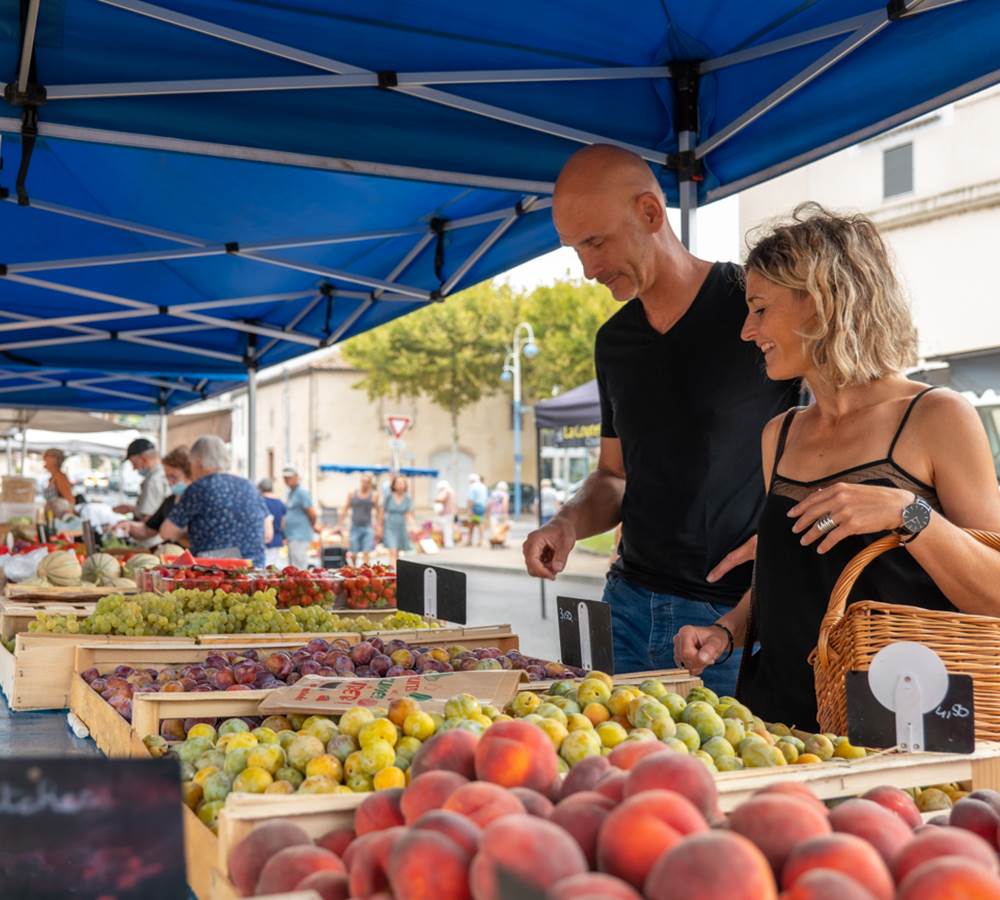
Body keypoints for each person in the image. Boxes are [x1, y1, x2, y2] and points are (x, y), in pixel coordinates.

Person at [673, 204, 1000, 730]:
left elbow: (995, 594)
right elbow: (794, 576)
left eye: (759, 308)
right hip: (777, 726)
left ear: (823, 305)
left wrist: (908, 512)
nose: (746, 331)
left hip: (899, 728)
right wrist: (729, 629)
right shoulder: (779, 434)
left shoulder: (937, 417)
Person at [522, 144, 799, 697]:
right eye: (575, 250)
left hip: (733, 624)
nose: (587, 270)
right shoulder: (615, 342)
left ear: (651, 213)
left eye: (596, 243)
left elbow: (833, 447)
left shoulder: (755, 308)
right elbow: (613, 476)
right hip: (625, 608)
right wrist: (568, 524)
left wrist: (789, 540)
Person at [161, 436, 272, 566]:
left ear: (198, 462)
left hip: (215, 573)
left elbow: (167, 533)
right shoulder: (250, 486)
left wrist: (190, 533)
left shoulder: (198, 488)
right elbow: (268, 533)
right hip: (255, 571)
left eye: (191, 464)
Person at [117, 446, 191, 545]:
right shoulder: (170, 501)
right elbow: (147, 529)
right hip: (171, 556)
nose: (169, 482)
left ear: (190, 474)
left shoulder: (201, 502)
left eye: (173, 477)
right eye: (167, 477)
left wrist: (178, 534)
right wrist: (128, 525)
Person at [115, 438, 170, 549]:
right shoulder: (161, 475)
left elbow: (148, 521)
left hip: (150, 545)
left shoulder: (152, 481)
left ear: (143, 459)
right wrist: (132, 509)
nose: (134, 468)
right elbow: (157, 509)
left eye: (134, 463)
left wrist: (126, 524)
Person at [283, 466, 319, 569]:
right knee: (292, 566)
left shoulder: (302, 492)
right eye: (285, 478)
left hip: (300, 535)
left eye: (289, 477)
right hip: (291, 535)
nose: (287, 480)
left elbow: (312, 513)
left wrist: (311, 527)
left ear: (296, 477)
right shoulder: (290, 493)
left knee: (299, 566)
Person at [341, 473, 378, 567]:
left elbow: (378, 510)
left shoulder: (374, 495)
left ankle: (365, 570)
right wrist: (340, 523)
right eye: (363, 481)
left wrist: (379, 525)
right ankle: (354, 568)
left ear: (370, 484)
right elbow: (345, 508)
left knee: (366, 551)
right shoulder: (352, 493)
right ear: (361, 482)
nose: (365, 484)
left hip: (367, 527)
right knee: (353, 552)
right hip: (355, 526)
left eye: (367, 482)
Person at [380, 474, 415, 565]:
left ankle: (396, 572)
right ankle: (393, 573)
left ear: (405, 485)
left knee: (398, 552)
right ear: (394, 485)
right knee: (393, 551)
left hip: (401, 527)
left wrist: (413, 526)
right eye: (398, 483)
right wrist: (380, 526)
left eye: (402, 483)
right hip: (390, 526)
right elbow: (382, 511)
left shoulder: (408, 498)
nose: (400, 485)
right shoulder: (388, 497)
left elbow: (408, 514)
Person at [258, 477, 287, 568]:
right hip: (277, 538)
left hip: (261, 539)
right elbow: (283, 523)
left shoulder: (259, 502)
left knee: (263, 567)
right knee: (273, 566)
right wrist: (284, 536)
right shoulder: (280, 503)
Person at [466, 473, 489, 546]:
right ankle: (481, 540)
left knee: (471, 523)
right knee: (480, 523)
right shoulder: (483, 486)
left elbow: (471, 500)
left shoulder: (472, 487)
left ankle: (469, 540)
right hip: (482, 506)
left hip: (475, 506)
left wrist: (469, 509)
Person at [434, 479, 457, 548]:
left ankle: (448, 543)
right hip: (451, 512)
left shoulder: (445, 491)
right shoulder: (452, 491)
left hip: (446, 513)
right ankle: (449, 543)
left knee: (446, 528)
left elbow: (440, 499)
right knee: (449, 528)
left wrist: (435, 500)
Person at [487, 480, 511, 547]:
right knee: (503, 528)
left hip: (493, 513)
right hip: (501, 513)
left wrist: (488, 512)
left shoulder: (493, 494)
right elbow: (505, 504)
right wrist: (505, 514)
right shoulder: (505, 494)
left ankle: (494, 542)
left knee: (494, 528)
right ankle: (503, 542)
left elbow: (489, 504)